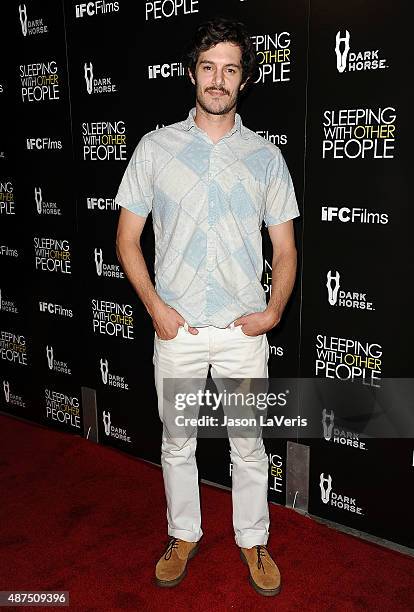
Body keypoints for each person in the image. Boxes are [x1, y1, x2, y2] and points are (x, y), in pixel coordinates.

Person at [115, 17, 300, 597]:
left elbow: (286, 248)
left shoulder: (266, 157)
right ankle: (184, 533)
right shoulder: (155, 148)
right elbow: (126, 238)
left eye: (231, 69)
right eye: (209, 67)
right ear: (193, 73)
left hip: (243, 331)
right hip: (178, 332)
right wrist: (156, 309)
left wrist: (271, 313)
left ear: (244, 80)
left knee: (249, 444)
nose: (218, 79)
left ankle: (253, 539)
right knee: (177, 442)